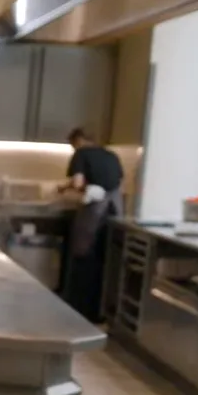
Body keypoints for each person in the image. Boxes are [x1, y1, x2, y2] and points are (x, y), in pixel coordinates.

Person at [60, 127, 124, 322]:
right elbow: (116, 183)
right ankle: (100, 313)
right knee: (105, 262)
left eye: (73, 144)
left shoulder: (81, 154)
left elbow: (78, 183)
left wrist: (70, 188)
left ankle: (78, 310)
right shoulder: (111, 156)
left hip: (93, 215)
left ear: (78, 140)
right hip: (114, 215)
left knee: (83, 257)